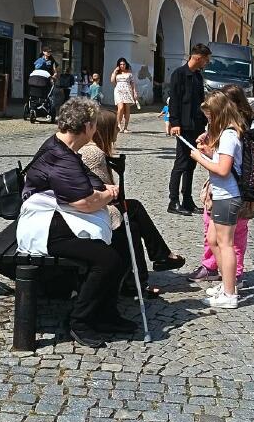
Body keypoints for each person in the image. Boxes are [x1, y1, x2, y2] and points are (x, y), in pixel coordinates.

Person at [15, 98, 132, 348]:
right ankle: (80, 321)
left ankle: (105, 312)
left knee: (119, 242)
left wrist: (104, 189)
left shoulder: (64, 149)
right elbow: (85, 203)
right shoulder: (60, 156)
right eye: (94, 124)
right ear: (87, 126)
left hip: (57, 217)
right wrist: (108, 195)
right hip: (44, 226)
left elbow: (86, 181)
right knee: (107, 260)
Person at [79, 110, 185, 300]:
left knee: (133, 222)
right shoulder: (94, 153)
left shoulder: (93, 149)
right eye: (116, 127)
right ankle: (156, 261)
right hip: (92, 208)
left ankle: (140, 279)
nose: (118, 130)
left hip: (93, 205)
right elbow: (106, 190)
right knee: (133, 214)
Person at [190, 87, 254, 283]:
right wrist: (208, 144)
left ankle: (232, 279)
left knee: (232, 238)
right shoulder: (233, 126)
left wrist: (203, 156)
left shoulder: (242, 129)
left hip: (236, 190)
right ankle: (215, 269)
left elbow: (228, 165)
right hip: (225, 189)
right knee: (214, 234)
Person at [189, 90, 245, 309]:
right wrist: (208, 152)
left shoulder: (229, 136)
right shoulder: (225, 135)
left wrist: (199, 158)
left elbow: (223, 170)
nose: (208, 120)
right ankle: (227, 284)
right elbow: (222, 161)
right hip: (222, 195)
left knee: (226, 244)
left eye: (210, 115)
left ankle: (230, 294)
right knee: (213, 239)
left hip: (227, 196)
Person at [167, 44, 212, 215]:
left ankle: (187, 199)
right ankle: (173, 201)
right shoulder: (179, 74)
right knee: (181, 163)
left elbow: (200, 102)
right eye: (206, 59)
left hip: (196, 126)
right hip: (183, 126)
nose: (207, 63)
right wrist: (174, 122)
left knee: (191, 164)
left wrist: (206, 122)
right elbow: (174, 100)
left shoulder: (198, 76)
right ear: (198, 57)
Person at [110, 57, 139, 133]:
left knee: (127, 109)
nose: (122, 66)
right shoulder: (117, 73)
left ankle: (125, 127)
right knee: (120, 108)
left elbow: (132, 83)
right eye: (121, 64)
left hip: (127, 91)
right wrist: (115, 71)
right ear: (118, 65)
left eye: (123, 64)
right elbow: (112, 81)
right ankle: (119, 125)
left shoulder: (129, 73)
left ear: (126, 65)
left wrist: (135, 92)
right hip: (118, 91)